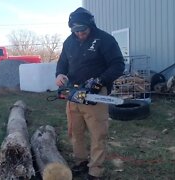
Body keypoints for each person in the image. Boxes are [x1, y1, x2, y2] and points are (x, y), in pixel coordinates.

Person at [55, 7, 125, 180]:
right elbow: (62, 63)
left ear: (90, 25)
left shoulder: (105, 39)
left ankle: (95, 170)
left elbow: (118, 65)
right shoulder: (68, 42)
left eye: (83, 30)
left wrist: (100, 80)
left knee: (97, 133)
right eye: (76, 31)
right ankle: (80, 162)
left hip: (95, 93)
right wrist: (59, 74)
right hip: (73, 92)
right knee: (75, 131)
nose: (80, 34)